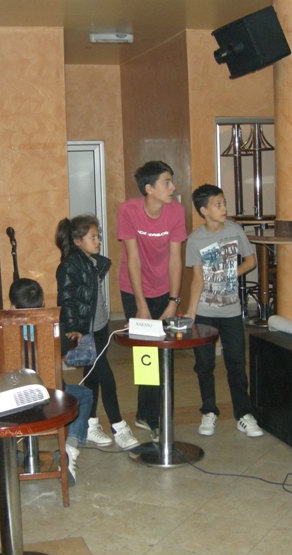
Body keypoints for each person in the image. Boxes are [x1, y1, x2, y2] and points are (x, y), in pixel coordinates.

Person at [0, 278, 94, 483]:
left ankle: (2, 451)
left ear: (13, 306)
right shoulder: (54, 328)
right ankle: (70, 447)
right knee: (85, 395)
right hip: (51, 399)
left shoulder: (3, 330)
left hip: (14, 403)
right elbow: (64, 347)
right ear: (43, 303)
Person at [182, 184, 263, 438]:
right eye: (218, 204)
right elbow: (197, 279)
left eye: (224, 202)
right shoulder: (195, 240)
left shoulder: (235, 231)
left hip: (231, 311)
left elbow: (251, 261)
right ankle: (209, 411)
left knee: (236, 363)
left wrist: (231, 273)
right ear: (204, 210)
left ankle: (244, 414)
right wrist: (191, 312)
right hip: (205, 310)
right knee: (204, 364)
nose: (224, 208)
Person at [55, 215, 140, 450]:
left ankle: (90, 423)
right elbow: (66, 299)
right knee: (106, 377)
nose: (98, 241)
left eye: (98, 236)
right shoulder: (70, 266)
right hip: (86, 332)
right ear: (77, 241)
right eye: (93, 237)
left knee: (92, 377)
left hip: (101, 327)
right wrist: (74, 329)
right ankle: (118, 426)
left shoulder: (91, 262)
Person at [117, 161, 187, 440]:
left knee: (164, 353)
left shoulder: (176, 211)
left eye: (171, 181)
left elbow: (175, 258)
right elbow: (132, 259)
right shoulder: (129, 211)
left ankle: (154, 414)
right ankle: (151, 417)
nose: (172, 187)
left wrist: (173, 300)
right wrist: (141, 304)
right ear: (149, 188)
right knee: (146, 354)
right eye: (166, 182)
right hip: (133, 289)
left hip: (164, 290)